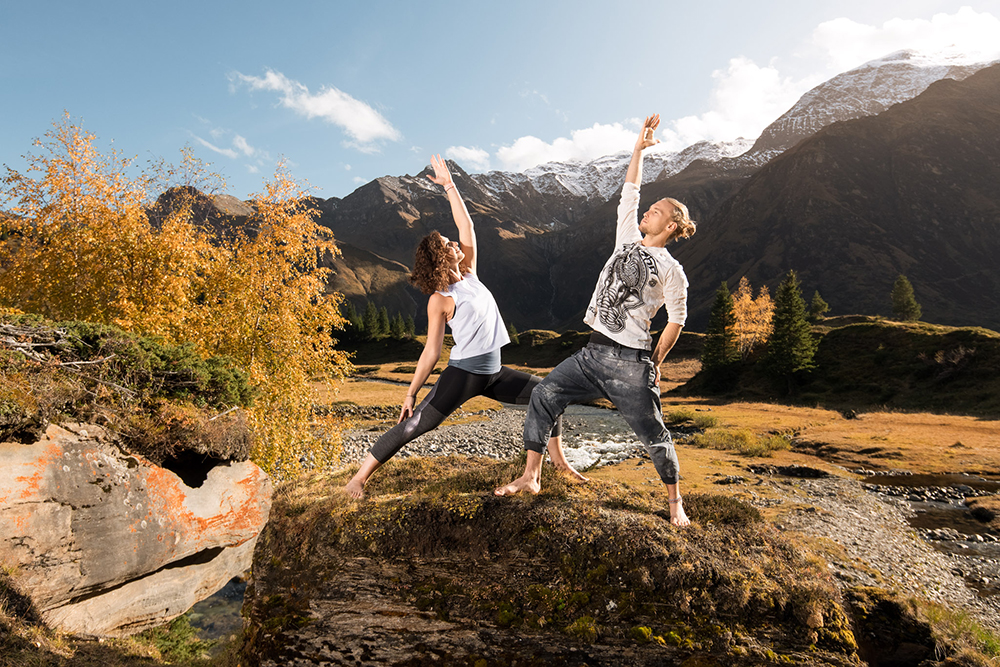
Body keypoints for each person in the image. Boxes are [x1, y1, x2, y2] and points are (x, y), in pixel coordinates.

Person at [495, 115, 697, 528]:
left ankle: (675, 502)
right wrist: (638, 151)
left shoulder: (672, 269)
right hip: (591, 353)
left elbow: (677, 319)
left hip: (630, 363)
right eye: (649, 209)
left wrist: (656, 361)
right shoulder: (627, 238)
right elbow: (630, 193)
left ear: (670, 225)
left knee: (654, 435)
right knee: (544, 395)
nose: (647, 213)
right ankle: (531, 476)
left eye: (656, 212)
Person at [346, 155, 587, 499]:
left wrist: (449, 185)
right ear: (440, 257)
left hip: (495, 373)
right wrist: (411, 392)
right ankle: (358, 478)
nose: (455, 244)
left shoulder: (470, 273)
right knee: (415, 425)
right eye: (448, 244)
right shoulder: (440, 298)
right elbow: (431, 350)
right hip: (462, 377)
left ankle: (558, 464)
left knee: (549, 395)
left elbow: (468, 228)